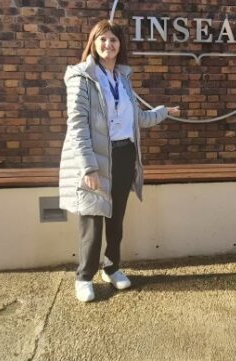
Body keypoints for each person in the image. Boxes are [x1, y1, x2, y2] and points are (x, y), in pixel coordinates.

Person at [58, 19, 180, 303]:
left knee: (116, 218)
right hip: (97, 158)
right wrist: (88, 166)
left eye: (113, 40)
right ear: (93, 42)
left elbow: (137, 118)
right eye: (102, 39)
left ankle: (112, 268)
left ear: (120, 45)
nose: (108, 45)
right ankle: (84, 277)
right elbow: (77, 126)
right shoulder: (81, 77)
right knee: (92, 220)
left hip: (124, 155)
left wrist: (164, 111)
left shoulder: (123, 78)